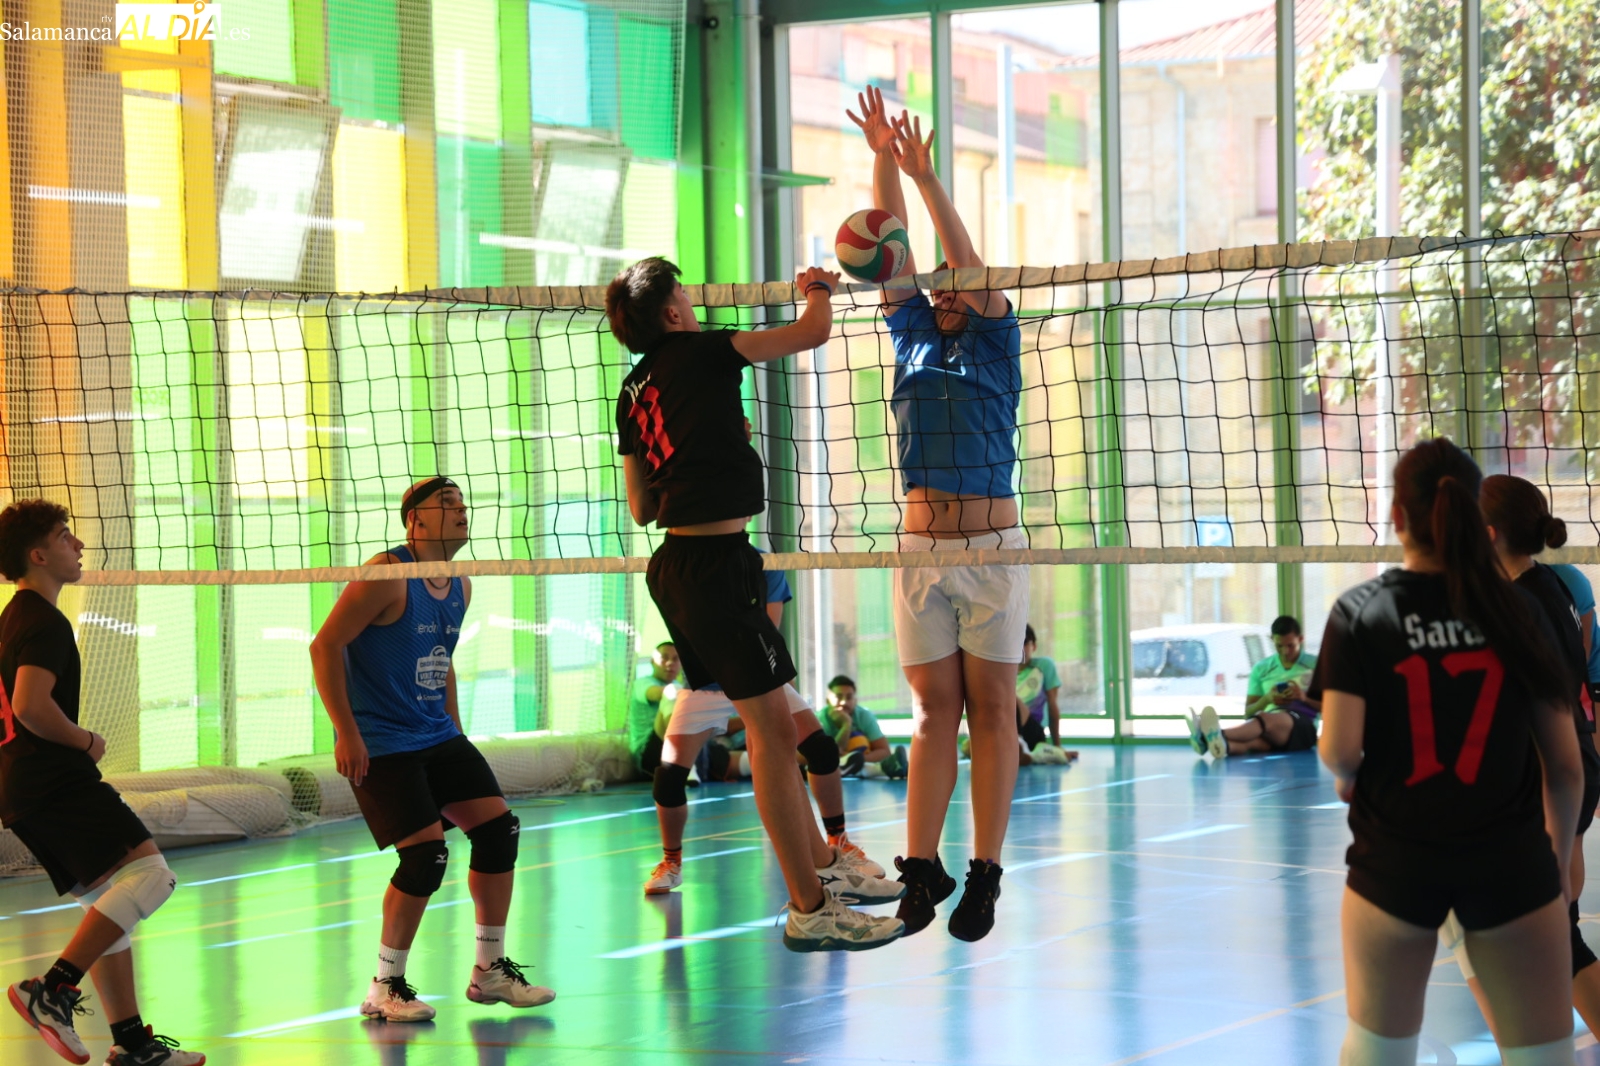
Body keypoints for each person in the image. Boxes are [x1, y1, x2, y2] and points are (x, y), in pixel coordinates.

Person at [608, 255, 903, 952]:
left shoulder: (631, 391)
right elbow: (810, 334)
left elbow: (642, 506)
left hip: (681, 566)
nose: (693, 301)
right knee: (775, 738)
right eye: (685, 291)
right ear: (675, 314)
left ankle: (827, 869)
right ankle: (808, 906)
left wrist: (708, 447)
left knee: (780, 729)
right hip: (715, 570)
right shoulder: (704, 350)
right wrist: (818, 288)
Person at [1315, 439, 1582, 1066]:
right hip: (1510, 861)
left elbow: (1339, 748)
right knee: (1542, 1055)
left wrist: (1349, 775)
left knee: (1377, 1050)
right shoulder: (1518, 609)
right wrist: (1559, 854)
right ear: (1470, 517)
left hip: (1396, 859)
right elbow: (1565, 765)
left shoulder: (1361, 611)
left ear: (1398, 517)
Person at [850, 85, 1026, 942]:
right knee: (932, 714)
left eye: (955, 283)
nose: (944, 288)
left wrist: (927, 178)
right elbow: (886, 254)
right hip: (920, 545)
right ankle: (922, 868)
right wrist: (882, 155)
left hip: (993, 545)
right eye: (936, 285)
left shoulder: (996, 331)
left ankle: (985, 872)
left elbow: (964, 262)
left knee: (992, 708)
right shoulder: (913, 332)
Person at [310, 477, 555, 1022]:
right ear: (414, 522)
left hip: (436, 733)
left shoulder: (462, 585)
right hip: (382, 741)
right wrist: (345, 732)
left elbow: (440, 660)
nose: (460, 510)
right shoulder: (388, 573)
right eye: (446, 504)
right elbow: (325, 645)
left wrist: (456, 731)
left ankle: (488, 972)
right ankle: (384, 987)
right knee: (424, 858)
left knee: (498, 831)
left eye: (463, 502)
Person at [0, 501, 203, 1066]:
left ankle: (133, 1043)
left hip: (24, 787)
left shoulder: (12, 619)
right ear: (39, 555)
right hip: (55, 781)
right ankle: (53, 989)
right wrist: (86, 741)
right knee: (152, 878)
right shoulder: (43, 621)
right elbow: (31, 706)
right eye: (66, 537)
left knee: (110, 909)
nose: (79, 545)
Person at [1439, 474, 1600, 1040]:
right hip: (1572, 770)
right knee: (1561, 936)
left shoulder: (1508, 608)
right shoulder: (1554, 587)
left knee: (1487, 939)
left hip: (1539, 783)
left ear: (1486, 534)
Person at [639, 555, 897, 899]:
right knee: (668, 776)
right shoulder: (687, 567)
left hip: (756, 677)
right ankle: (671, 861)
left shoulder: (765, 565)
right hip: (703, 687)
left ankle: (839, 844)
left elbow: (766, 633)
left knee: (820, 749)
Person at [1190, 616, 1320, 758]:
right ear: (1272, 640)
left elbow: (1330, 708)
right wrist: (1267, 699)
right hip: (1273, 727)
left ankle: (1208, 736)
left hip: (1304, 726)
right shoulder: (1261, 669)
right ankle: (1222, 746)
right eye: (1279, 646)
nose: (1285, 652)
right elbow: (1248, 712)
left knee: (1264, 718)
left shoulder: (1315, 665)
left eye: (1290, 646)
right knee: (1253, 742)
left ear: (1300, 639)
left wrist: (1303, 697)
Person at [822, 675, 907, 779]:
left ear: (855, 701)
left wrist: (856, 759)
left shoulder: (864, 716)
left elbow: (884, 751)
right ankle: (886, 768)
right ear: (827, 701)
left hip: (851, 763)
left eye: (849, 697)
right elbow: (829, 756)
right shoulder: (819, 720)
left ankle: (851, 767)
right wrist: (846, 725)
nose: (844, 702)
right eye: (838, 697)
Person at [629, 643, 679, 775]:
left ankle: (689, 762)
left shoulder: (679, 686)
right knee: (671, 692)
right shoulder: (643, 683)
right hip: (649, 755)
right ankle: (686, 762)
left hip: (673, 750)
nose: (670, 663)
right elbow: (655, 693)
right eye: (664, 658)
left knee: (727, 759)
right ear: (652, 661)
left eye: (675, 659)